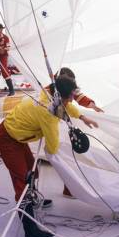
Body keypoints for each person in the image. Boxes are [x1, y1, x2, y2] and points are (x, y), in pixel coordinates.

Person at [0, 76, 96, 237]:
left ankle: (33, 201)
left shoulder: (50, 95)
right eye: (70, 96)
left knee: (32, 172)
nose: (72, 99)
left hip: (18, 136)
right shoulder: (47, 111)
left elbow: (65, 107)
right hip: (8, 138)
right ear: (60, 96)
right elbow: (52, 144)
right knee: (23, 180)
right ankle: (30, 231)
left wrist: (82, 117)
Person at [42, 67, 103, 198]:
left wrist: (91, 106)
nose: (71, 97)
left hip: (59, 123)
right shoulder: (48, 100)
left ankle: (69, 188)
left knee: (64, 155)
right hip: (50, 125)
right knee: (61, 155)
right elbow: (56, 111)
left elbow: (74, 99)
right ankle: (70, 189)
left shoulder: (61, 90)